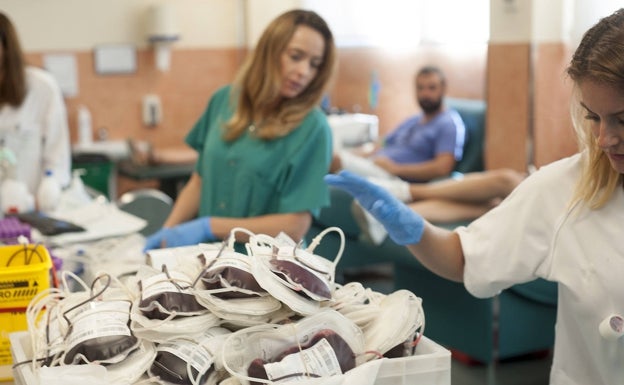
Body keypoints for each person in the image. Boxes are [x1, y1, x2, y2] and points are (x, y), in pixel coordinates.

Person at [326, 8, 624, 384]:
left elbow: (442, 164)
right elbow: (463, 259)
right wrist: (413, 227)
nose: (603, 139)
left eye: (622, 119)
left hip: (418, 177)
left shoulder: (446, 123)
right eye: (593, 117)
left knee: (501, 182)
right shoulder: (563, 189)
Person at [144, 9, 337, 250]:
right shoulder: (224, 100)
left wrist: (208, 226)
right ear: (269, 51)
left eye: (314, 64)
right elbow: (199, 182)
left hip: (270, 272)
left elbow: (295, 225)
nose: (304, 71)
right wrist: (167, 235)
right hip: (210, 259)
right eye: (296, 56)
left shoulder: (313, 129)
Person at [330, 65, 466, 183]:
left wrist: (396, 169)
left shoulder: (449, 124)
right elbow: (380, 145)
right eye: (420, 88)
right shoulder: (413, 121)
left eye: (432, 88)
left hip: (393, 177)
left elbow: (442, 168)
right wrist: (351, 155)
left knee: (331, 161)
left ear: (443, 88)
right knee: (330, 156)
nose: (425, 94)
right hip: (375, 165)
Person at [0, 12, 71, 195]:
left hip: (31, 208)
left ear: (6, 47)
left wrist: (49, 189)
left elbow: (58, 155)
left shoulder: (41, 87)